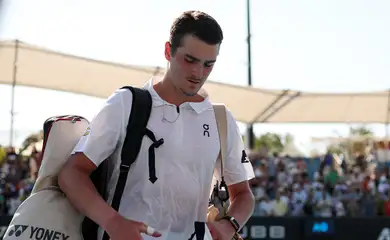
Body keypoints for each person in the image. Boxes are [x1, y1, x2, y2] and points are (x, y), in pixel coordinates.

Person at [58, 10, 255, 240]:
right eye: (189, 60)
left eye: (208, 65)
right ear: (168, 51)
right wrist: (113, 222)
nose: (197, 73)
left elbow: (243, 195)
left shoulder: (221, 118)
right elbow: (72, 174)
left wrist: (229, 225)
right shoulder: (125, 103)